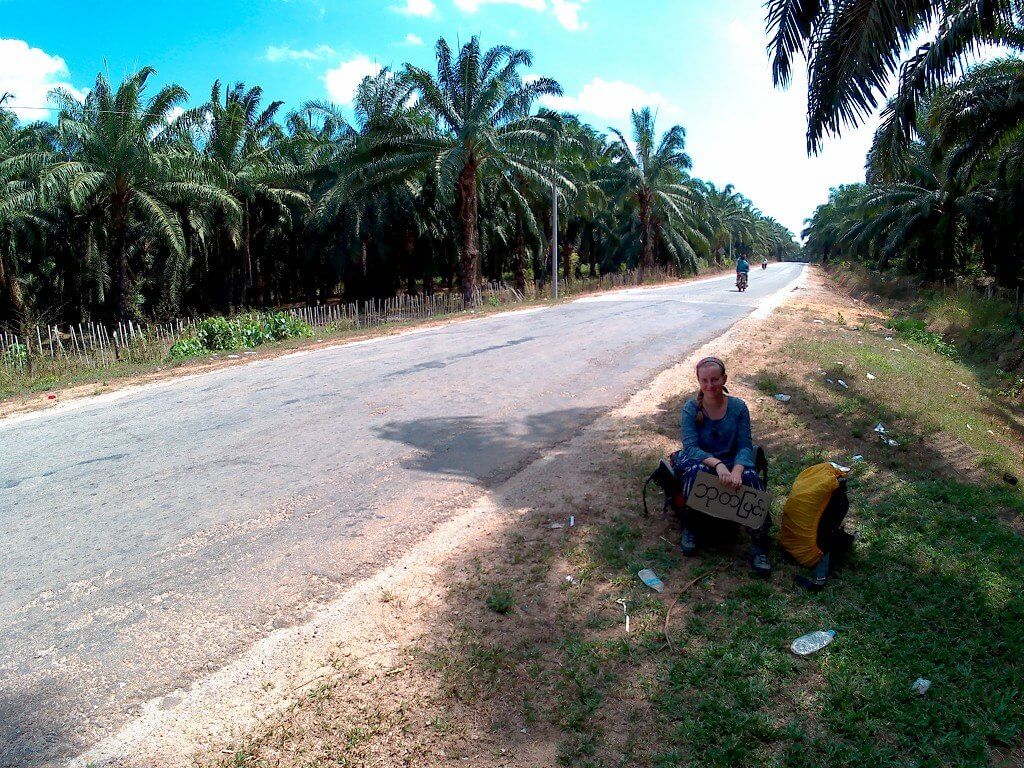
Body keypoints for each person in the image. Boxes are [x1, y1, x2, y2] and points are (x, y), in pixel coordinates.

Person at [670, 356, 771, 576]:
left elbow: (745, 445)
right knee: (696, 474)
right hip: (702, 460)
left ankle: (759, 542)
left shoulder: (738, 407)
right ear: (698, 381)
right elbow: (691, 448)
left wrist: (736, 470)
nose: (710, 386)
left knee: (752, 480)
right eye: (704, 381)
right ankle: (692, 526)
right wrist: (718, 466)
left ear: (724, 379)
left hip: (731, 459)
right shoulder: (690, 409)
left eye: (714, 380)